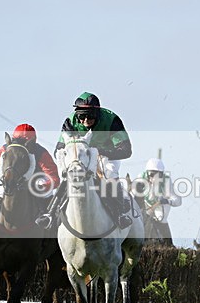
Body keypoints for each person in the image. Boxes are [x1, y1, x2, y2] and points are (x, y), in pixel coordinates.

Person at [38, 92, 134, 229]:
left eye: (90, 116)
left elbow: (126, 150)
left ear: (98, 113)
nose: (86, 120)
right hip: (81, 156)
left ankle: (120, 214)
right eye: (82, 116)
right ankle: (50, 214)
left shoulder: (112, 120)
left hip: (107, 155)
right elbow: (58, 150)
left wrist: (99, 152)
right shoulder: (70, 121)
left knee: (109, 172)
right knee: (68, 175)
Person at [0, 124, 60, 239]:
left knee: (45, 194)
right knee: (1, 191)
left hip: (34, 182)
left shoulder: (40, 152)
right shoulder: (6, 149)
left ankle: (49, 223)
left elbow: (54, 177)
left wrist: (42, 184)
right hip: (13, 181)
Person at [136, 158, 182, 242]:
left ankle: (169, 243)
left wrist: (167, 201)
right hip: (146, 204)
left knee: (161, 219)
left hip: (160, 206)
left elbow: (178, 201)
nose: (155, 178)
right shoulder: (141, 177)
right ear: (147, 173)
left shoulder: (166, 181)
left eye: (159, 175)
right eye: (152, 174)